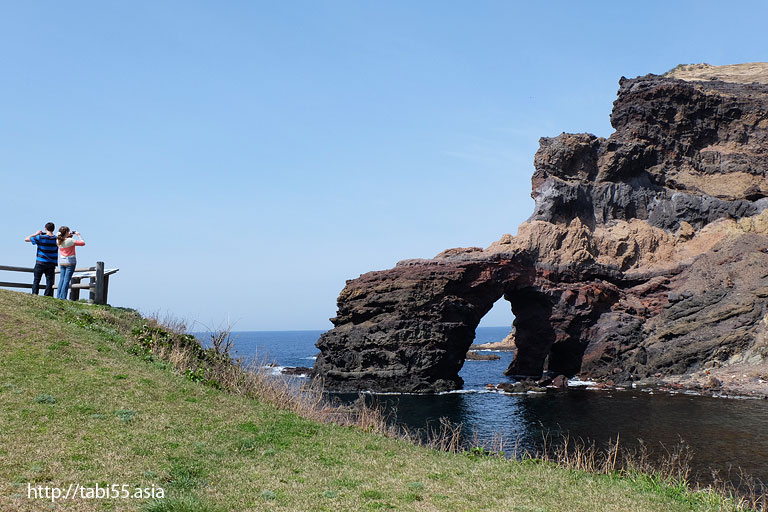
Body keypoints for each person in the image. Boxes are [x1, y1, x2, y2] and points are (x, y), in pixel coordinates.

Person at [25, 222, 58, 296]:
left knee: (37, 280)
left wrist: (36, 233)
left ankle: (35, 294)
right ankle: (47, 295)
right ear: (53, 229)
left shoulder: (40, 237)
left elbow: (26, 239)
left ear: (45, 228)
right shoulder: (56, 239)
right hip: (51, 262)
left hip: (40, 262)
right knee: (49, 281)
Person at [56, 226, 85, 300]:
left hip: (62, 262)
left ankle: (58, 296)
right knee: (66, 280)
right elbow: (82, 243)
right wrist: (78, 235)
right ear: (66, 233)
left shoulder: (58, 240)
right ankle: (63, 297)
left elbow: (59, 237)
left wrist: (67, 235)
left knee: (61, 279)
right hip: (70, 262)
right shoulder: (70, 240)